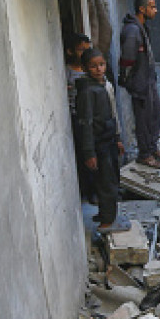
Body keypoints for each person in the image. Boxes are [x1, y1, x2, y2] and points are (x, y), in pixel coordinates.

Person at [76, 48, 129, 233]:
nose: (99, 69)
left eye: (101, 64)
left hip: (109, 140)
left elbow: (112, 114)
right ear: (84, 68)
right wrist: (89, 152)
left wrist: (117, 138)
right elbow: (86, 123)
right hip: (99, 144)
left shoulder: (105, 85)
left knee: (110, 178)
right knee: (106, 182)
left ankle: (107, 214)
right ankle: (107, 221)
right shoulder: (87, 92)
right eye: (93, 66)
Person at [120, 0, 160, 167]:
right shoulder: (132, 31)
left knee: (156, 113)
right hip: (140, 83)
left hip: (148, 80)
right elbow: (127, 60)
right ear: (142, 9)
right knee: (144, 119)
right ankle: (145, 154)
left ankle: (152, 148)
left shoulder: (141, 26)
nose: (155, 10)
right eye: (152, 7)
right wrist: (129, 81)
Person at [65, 33, 94, 201]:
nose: (84, 53)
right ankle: (87, 190)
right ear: (70, 51)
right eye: (80, 50)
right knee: (84, 155)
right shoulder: (67, 71)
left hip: (92, 118)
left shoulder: (92, 69)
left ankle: (94, 189)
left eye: (87, 49)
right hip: (77, 117)